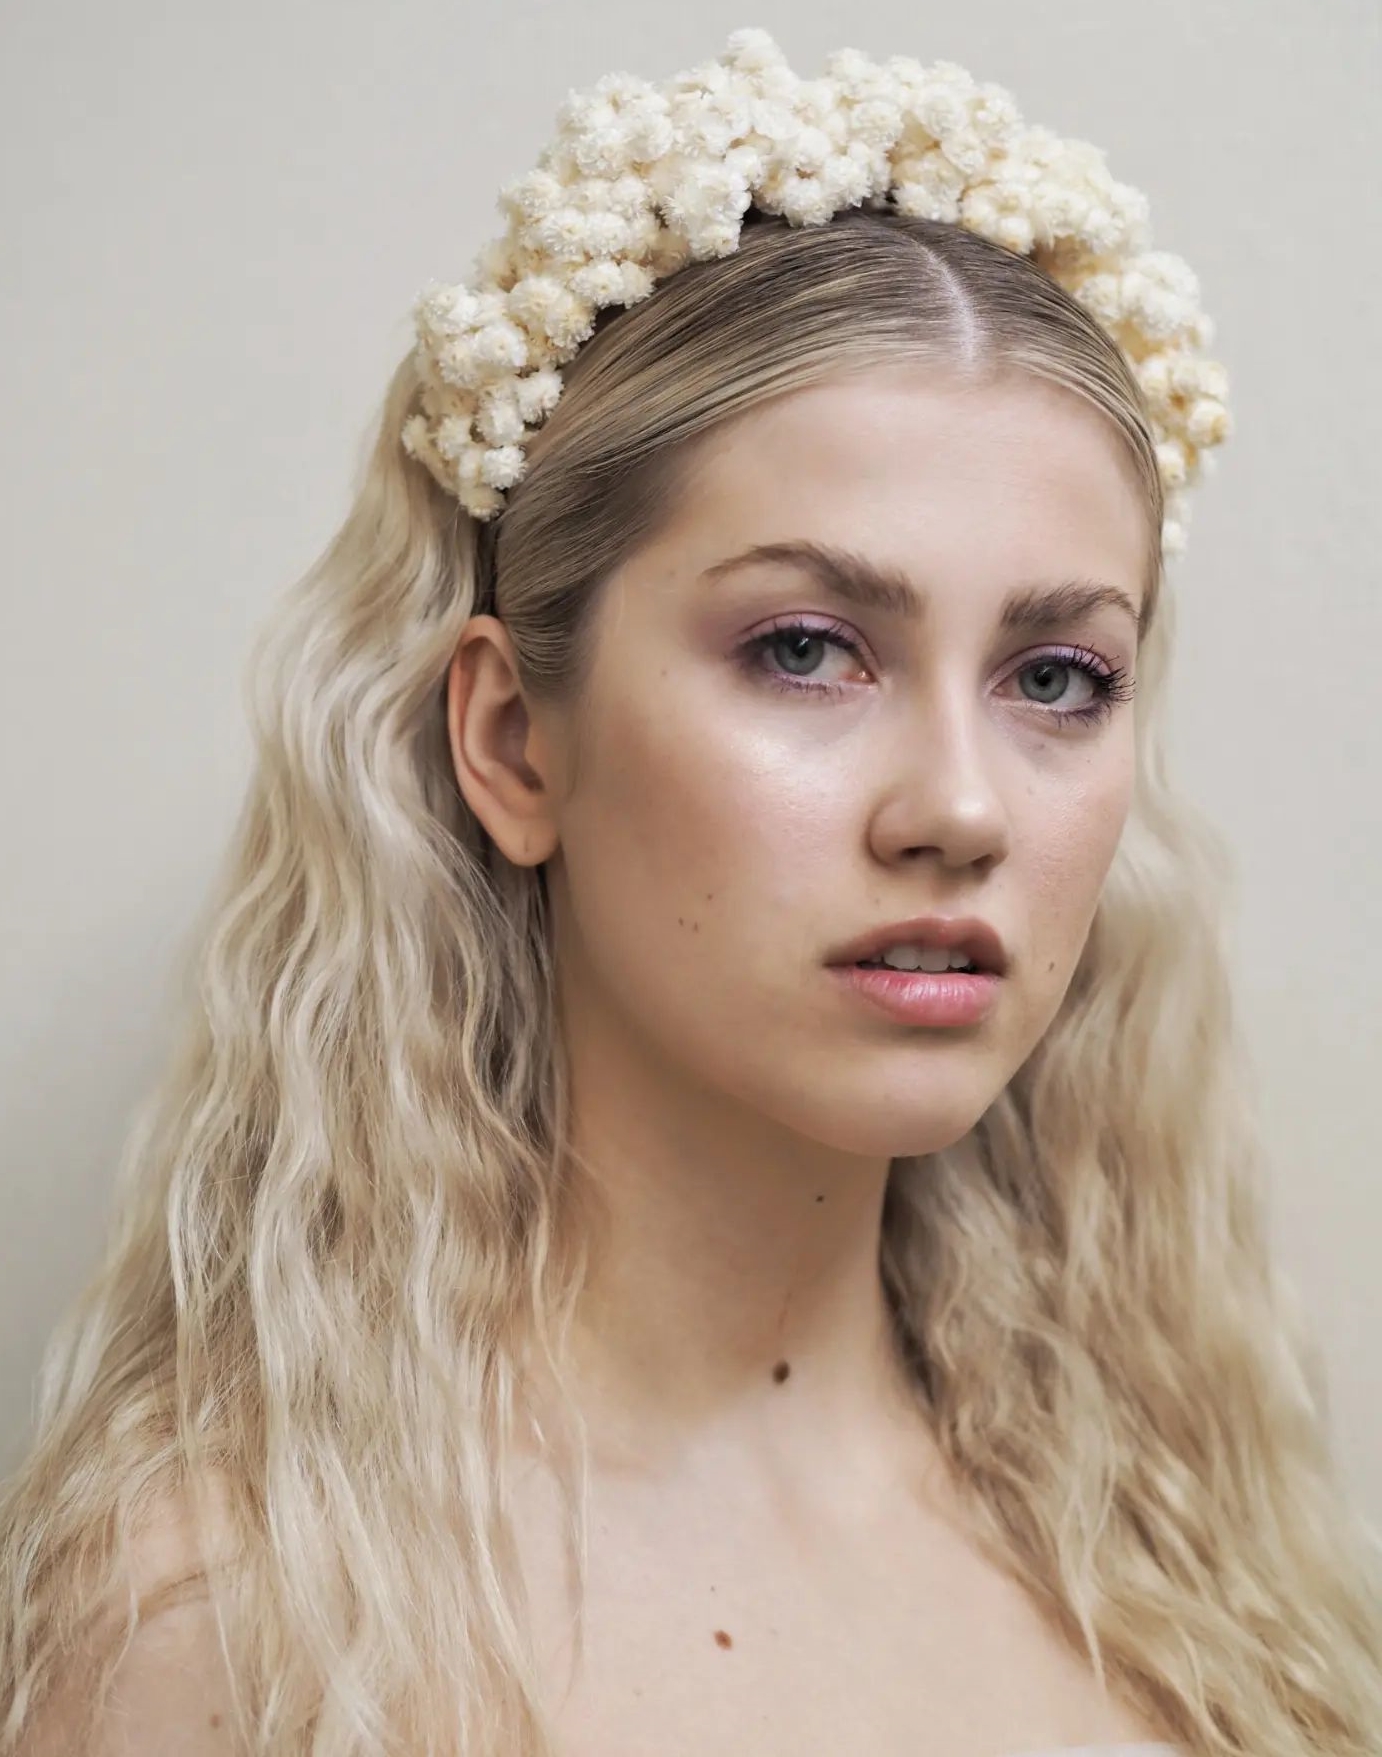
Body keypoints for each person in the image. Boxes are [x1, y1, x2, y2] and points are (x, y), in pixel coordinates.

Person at [2, 29, 1379, 1757]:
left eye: (1055, 678)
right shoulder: (243, 1629)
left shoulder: (1194, 1574)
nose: (957, 805)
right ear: (513, 739)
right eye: (806, 650)